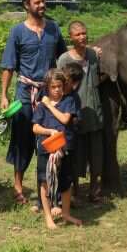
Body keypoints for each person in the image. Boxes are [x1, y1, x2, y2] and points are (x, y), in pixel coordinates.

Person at [0, 0, 67, 205]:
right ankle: (18, 185)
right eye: (37, 2)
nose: (42, 5)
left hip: (48, 95)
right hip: (25, 93)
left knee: (49, 138)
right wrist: (4, 95)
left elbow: (63, 59)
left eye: (43, 1)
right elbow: (8, 66)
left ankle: (48, 187)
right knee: (22, 139)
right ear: (26, 6)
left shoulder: (54, 29)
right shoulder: (17, 32)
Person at [57, 21, 104, 203]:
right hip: (74, 114)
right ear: (71, 37)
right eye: (78, 34)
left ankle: (95, 191)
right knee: (75, 155)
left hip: (94, 112)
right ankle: (74, 193)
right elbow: (60, 87)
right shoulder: (64, 60)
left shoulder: (93, 55)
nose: (82, 37)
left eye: (84, 33)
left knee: (96, 155)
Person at [32, 69, 82, 230]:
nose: (57, 90)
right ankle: (48, 217)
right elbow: (35, 128)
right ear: (47, 87)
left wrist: (47, 104)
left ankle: (65, 213)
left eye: (59, 86)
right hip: (46, 149)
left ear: (63, 86)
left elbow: (65, 119)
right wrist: (49, 131)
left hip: (64, 148)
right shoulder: (40, 106)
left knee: (66, 182)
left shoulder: (68, 101)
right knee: (45, 182)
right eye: (53, 87)